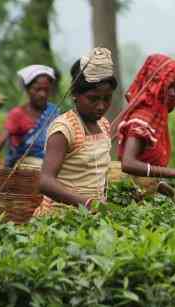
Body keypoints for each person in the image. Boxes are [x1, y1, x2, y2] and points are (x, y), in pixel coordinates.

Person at [37, 48, 118, 216]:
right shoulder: (64, 129)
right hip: (61, 219)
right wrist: (87, 203)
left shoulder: (103, 124)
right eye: (93, 99)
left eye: (107, 98)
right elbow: (45, 182)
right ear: (74, 94)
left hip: (93, 216)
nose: (101, 106)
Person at [113, 54, 175, 198]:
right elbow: (128, 164)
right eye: (169, 86)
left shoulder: (155, 117)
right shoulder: (142, 117)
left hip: (140, 193)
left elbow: (145, 176)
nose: (172, 93)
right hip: (129, 196)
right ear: (156, 83)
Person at [0, 65, 59, 169]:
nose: (42, 94)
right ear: (27, 89)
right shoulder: (17, 114)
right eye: (37, 89)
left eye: (46, 90)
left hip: (50, 165)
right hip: (22, 167)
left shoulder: (53, 112)